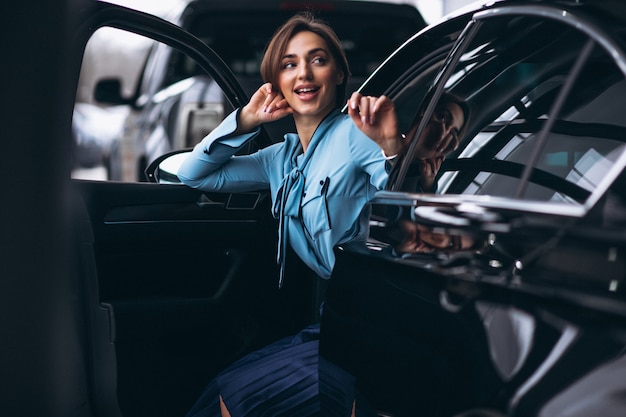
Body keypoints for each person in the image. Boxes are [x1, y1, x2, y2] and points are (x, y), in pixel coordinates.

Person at [178, 12, 469, 417]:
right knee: (222, 391)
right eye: (289, 64)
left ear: (337, 75)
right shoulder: (279, 158)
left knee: (233, 400)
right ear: (276, 82)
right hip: (338, 319)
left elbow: (407, 211)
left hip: (380, 318)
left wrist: (389, 146)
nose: (304, 74)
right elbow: (194, 175)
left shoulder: (354, 134)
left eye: (318, 60)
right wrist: (245, 119)